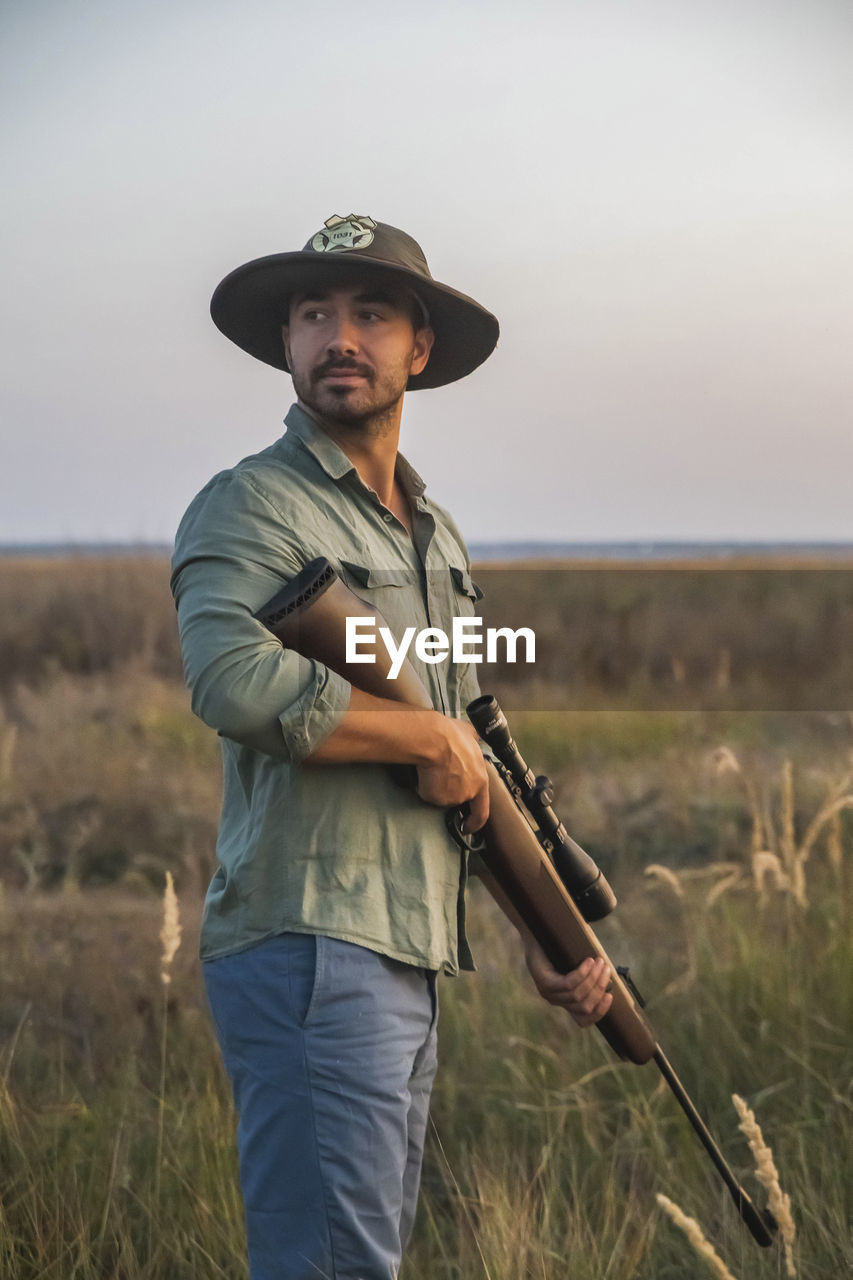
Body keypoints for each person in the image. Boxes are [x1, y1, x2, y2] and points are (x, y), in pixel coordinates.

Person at [171, 213, 613, 1280]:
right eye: (315, 313)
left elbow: (470, 760)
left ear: (418, 348)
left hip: (406, 946)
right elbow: (230, 680)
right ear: (286, 342)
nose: (340, 337)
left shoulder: (434, 536)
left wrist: (542, 927)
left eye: (370, 313)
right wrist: (416, 728)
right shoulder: (251, 503)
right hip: (311, 940)